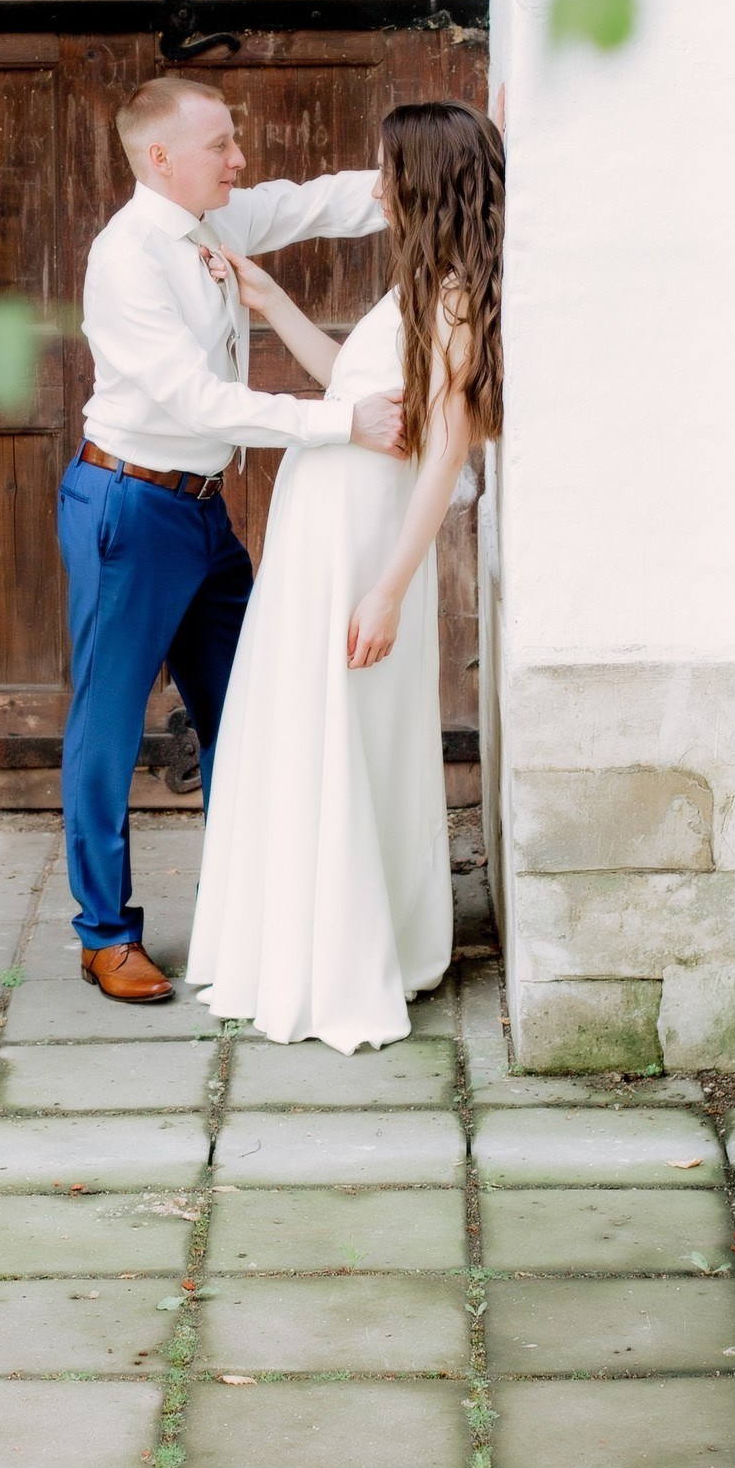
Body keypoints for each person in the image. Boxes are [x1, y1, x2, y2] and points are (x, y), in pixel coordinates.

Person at [58, 75, 404, 1004]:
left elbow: (310, 203)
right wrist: (342, 420)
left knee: (242, 713)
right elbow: (193, 400)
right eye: (222, 147)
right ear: (161, 158)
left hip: (205, 512)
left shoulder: (215, 220)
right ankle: (104, 934)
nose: (240, 161)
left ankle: (248, 910)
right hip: (128, 509)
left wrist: (419, 175)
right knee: (109, 718)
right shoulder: (127, 256)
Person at [187, 98, 504, 1051]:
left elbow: (444, 454)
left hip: (363, 545)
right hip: (322, 531)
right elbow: (354, 395)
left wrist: (389, 588)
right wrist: (271, 300)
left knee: (342, 726)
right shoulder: (422, 283)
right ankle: (306, 939)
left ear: (423, 181)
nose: (376, 188)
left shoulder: (455, 300)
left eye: (386, 173)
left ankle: (348, 954)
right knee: (307, 725)